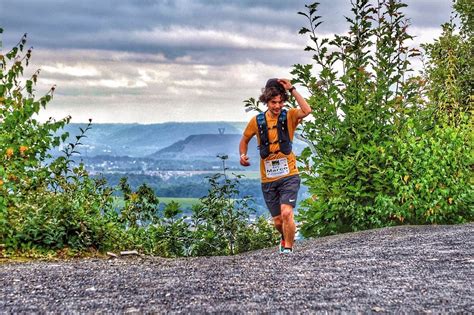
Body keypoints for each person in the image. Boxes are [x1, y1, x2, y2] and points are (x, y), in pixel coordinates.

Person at [239, 78, 312, 254]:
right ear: (266, 101)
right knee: (278, 221)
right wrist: (242, 154)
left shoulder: (290, 116)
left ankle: (288, 249)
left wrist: (292, 89)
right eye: (273, 102)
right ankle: (285, 237)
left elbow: (307, 110)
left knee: (287, 213)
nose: (277, 106)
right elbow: (244, 140)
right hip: (268, 177)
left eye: (280, 102)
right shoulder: (257, 121)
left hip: (289, 174)